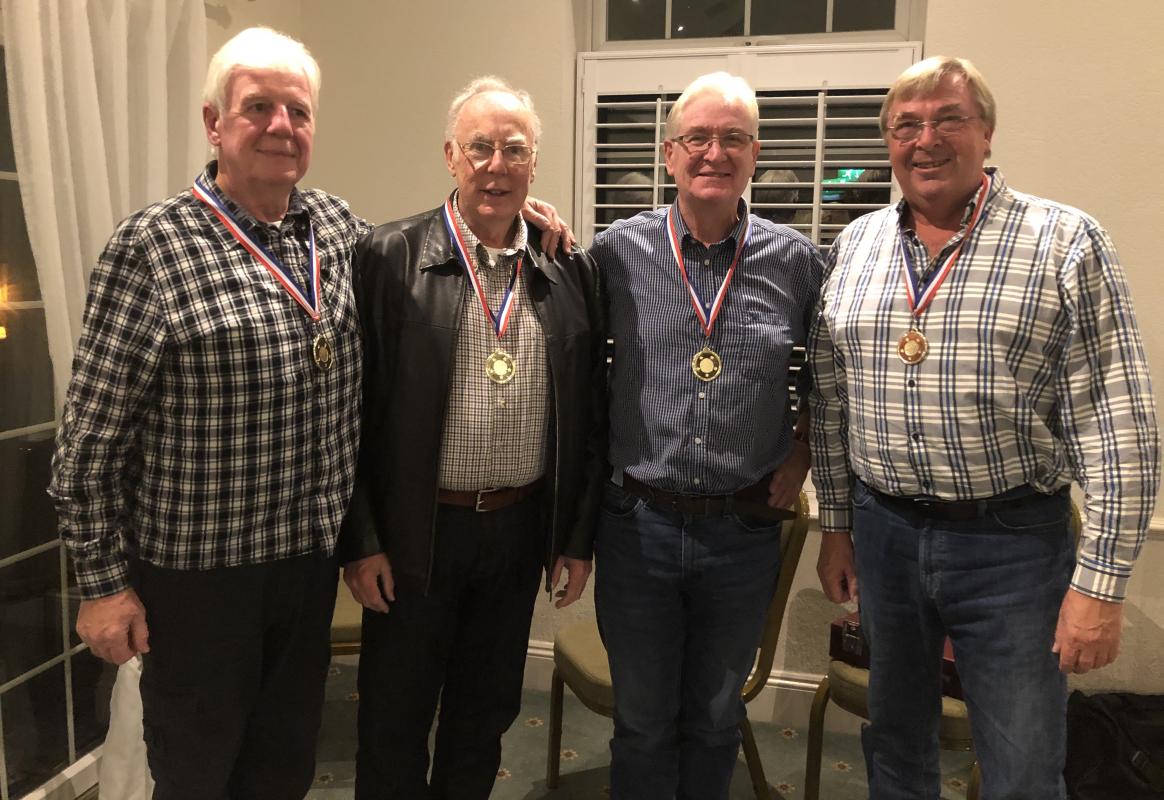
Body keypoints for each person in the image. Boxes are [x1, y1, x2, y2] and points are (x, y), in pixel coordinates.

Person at [809, 56, 1159, 799]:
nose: (926, 139)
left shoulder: (1065, 242)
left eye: (949, 119)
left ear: (987, 133)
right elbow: (833, 403)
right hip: (885, 535)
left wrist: (1100, 585)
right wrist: (837, 525)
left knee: (1023, 764)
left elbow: (1119, 420)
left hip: (1011, 548)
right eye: (906, 125)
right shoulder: (855, 246)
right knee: (895, 745)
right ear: (888, 142)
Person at [338, 76, 606, 800]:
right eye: (480, 147)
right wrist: (361, 540)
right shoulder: (387, 257)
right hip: (415, 537)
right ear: (450, 156)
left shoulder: (567, 267)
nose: (497, 164)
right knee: (393, 723)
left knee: (483, 718)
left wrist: (574, 536)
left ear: (534, 165)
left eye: (513, 150)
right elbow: (348, 416)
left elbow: (589, 417)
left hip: (516, 533)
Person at [589, 71, 821, 800]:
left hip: (742, 531)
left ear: (754, 154)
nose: (712, 153)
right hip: (637, 527)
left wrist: (806, 449)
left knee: (717, 720)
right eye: (697, 137)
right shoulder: (614, 254)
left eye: (732, 138)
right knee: (644, 722)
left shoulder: (798, 262)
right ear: (669, 154)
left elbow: (832, 372)